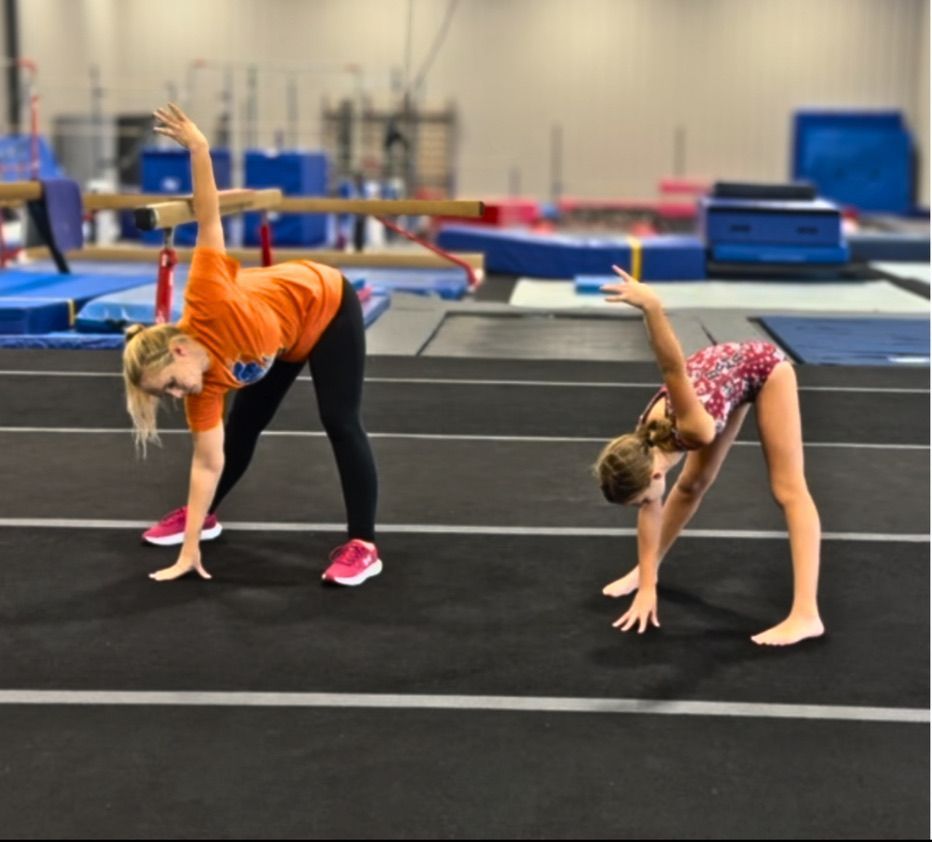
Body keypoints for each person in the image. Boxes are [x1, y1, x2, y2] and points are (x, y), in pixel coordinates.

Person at [122, 103, 381, 587]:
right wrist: (190, 551)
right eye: (167, 394)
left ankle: (364, 546)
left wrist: (199, 148)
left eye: (172, 384)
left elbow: (209, 218)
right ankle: (203, 518)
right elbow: (206, 462)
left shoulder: (207, 297)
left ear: (179, 351)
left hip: (324, 303)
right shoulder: (200, 385)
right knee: (242, 425)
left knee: (340, 420)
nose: (178, 395)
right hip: (276, 339)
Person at [593, 266, 824, 646]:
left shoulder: (692, 427)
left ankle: (806, 615)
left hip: (763, 368)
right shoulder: (641, 446)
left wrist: (652, 308)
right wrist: (646, 585)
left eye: (640, 501)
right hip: (721, 378)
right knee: (691, 484)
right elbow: (650, 510)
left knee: (788, 490)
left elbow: (672, 367)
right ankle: (644, 570)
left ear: (653, 476)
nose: (645, 508)